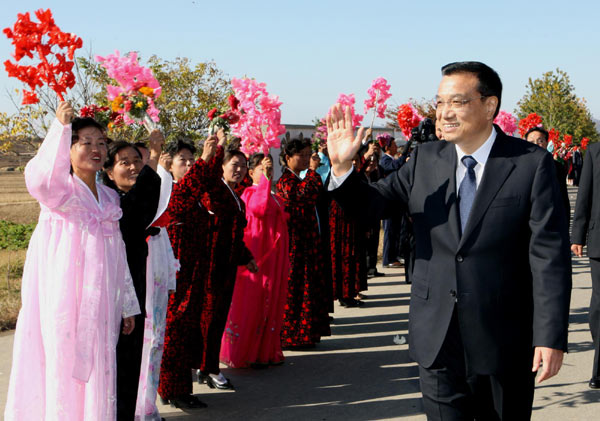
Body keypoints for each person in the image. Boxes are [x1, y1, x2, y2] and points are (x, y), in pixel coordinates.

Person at [326, 61, 571, 419]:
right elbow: (373, 205)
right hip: (437, 338)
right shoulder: (425, 159)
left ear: (489, 106)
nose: (444, 112)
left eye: (456, 102)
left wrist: (550, 336)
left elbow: (549, 257)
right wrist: (342, 170)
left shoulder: (531, 165)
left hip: (504, 339)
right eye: (440, 103)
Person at [5, 102, 140, 420]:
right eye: (86, 142)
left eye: (102, 142)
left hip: (104, 302)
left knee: (101, 368)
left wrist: (127, 304)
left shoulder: (108, 198)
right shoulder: (59, 193)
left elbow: (118, 253)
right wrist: (61, 126)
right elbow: (38, 178)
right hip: (66, 301)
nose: (96, 148)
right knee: (64, 370)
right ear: (67, 148)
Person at [158, 136, 221, 409]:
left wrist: (214, 156)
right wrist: (205, 160)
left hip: (194, 272)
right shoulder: (169, 190)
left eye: (191, 160)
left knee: (185, 331)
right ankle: (174, 390)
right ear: (169, 163)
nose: (187, 164)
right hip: (175, 273)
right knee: (174, 330)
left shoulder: (194, 192)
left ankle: (175, 387)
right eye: (182, 160)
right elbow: (180, 202)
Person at [102, 136, 162, 421]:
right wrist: (154, 157)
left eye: (137, 160)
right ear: (109, 172)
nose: (135, 166)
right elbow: (141, 202)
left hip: (132, 294)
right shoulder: (108, 205)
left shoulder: (124, 200)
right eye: (125, 162)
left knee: (128, 367)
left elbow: (146, 200)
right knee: (113, 369)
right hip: (109, 297)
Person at [220, 153, 290, 368]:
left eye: (269, 169)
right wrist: (266, 181)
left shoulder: (275, 196)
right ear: (251, 174)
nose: (267, 173)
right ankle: (247, 352)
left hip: (274, 260)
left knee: (270, 303)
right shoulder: (249, 195)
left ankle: (265, 351)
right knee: (252, 304)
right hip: (257, 259)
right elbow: (260, 209)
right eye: (262, 169)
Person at [197, 148, 258, 389]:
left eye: (243, 165)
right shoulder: (215, 191)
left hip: (228, 265)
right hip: (212, 264)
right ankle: (209, 367)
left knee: (217, 317)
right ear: (221, 166)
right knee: (210, 317)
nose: (239, 169)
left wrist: (246, 257)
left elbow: (234, 234)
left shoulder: (235, 195)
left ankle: (206, 365)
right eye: (234, 164)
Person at [135, 151, 180, 421]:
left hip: (158, 284)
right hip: (137, 287)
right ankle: (137, 406)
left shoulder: (159, 226)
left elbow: (167, 249)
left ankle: (148, 405)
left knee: (155, 343)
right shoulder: (126, 207)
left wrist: (170, 280)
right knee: (140, 346)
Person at [276, 138, 331, 348]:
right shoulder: (286, 182)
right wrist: (312, 172)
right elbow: (304, 196)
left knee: (309, 285)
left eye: (309, 154)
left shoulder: (298, 179)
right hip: (295, 243)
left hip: (307, 241)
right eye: (302, 155)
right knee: (297, 287)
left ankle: (307, 333)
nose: (307, 159)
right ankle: (293, 335)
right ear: (288, 158)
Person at [571, 142, 600, 389]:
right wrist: (578, 235)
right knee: (599, 308)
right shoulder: (594, 151)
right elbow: (585, 193)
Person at [525, 126, 571, 226]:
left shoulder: (557, 167)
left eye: (540, 141)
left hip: (551, 220)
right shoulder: (520, 167)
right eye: (531, 142)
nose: (536, 144)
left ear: (546, 143)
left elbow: (563, 198)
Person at [378, 134, 405, 268]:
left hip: (396, 198)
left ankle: (393, 256)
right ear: (387, 148)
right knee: (389, 230)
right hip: (388, 199)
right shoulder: (385, 160)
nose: (396, 148)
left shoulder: (391, 159)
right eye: (394, 145)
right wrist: (405, 154)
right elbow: (395, 165)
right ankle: (387, 258)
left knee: (395, 229)